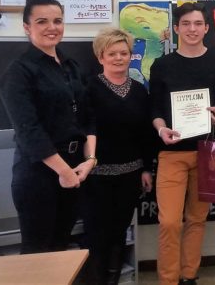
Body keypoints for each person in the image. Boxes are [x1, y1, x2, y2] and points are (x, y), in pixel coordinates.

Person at [0, 0, 95, 254]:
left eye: (57, 21)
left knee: (61, 248)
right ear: (27, 27)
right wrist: (64, 171)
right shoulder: (19, 72)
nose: (52, 28)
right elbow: (29, 131)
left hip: (75, 168)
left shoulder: (71, 66)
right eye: (42, 21)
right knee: (38, 253)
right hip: (40, 174)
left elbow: (87, 118)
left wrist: (89, 160)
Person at [150, 2, 215, 285]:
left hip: (208, 151)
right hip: (172, 152)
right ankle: (168, 280)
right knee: (169, 222)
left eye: (198, 23)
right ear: (176, 28)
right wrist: (161, 128)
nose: (192, 29)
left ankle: (189, 276)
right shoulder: (162, 65)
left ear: (206, 28)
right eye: (185, 24)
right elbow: (155, 109)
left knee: (197, 219)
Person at [82, 28, 155, 284]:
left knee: (119, 233)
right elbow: (85, 129)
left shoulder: (139, 91)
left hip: (130, 176)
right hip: (96, 178)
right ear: (100, 57)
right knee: (96, 235)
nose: (118, 58)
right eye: (112, 53)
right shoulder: (88, 88)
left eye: (124, 53)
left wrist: (146, 169)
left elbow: (145, 134)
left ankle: (113, 280)